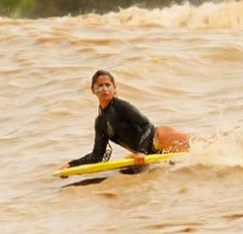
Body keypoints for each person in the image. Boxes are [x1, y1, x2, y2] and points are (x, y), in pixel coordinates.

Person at [60, 69, 190, 176]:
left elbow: (147, 126)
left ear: (114, 88)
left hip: (160, 138)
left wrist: (141, 151)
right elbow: (97, 156)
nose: (104, 89)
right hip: (149, 154)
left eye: (108, 85)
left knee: (204, 147)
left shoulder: (121, 106)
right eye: (100, 86)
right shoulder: (100, 122)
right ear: (93, 90)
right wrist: (72, 165)